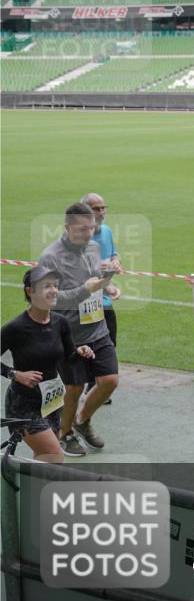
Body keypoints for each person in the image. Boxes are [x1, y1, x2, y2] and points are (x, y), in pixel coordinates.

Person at [38, 202, 119, 457]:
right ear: (67, 227)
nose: (88, 234)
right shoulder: (51, 257)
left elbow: (94, 278)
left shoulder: (94, 247)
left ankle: (82, 421)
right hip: (69, 335)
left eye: (91, 229)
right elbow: (48, 298)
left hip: (97, 329)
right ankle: (64, 434)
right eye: (82, 229)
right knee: (74, 387)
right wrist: (86, 290)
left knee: (110, 380)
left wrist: (108, 284)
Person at [1, 267, 95, 462]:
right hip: (23, 405)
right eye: (46, 286)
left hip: (51, 402)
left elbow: (69, 357)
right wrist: (15, 374)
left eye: (55, 286)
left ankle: (32, 492)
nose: (53, 290)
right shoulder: (16, 327)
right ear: (30, 291)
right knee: (55, 456)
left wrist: (80, 352)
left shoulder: (60, 322)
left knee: (43, 458)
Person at [81, 192, 121, 405]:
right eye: (97, 208)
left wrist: (116, 264)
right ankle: (90, 387)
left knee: (109, 342)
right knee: (88, 346)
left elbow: (114, 254)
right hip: (85, 302)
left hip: (104, 301)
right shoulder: (78, 239)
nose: (102, 212)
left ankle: (97, 387)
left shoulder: (106, 231)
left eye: (103, 207)